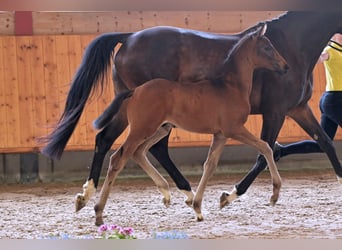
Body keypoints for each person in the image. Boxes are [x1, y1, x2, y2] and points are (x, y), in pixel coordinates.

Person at [275, 33, 342, 158]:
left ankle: (281, 151)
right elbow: (320, 58)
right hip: (334, 100)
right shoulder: (329, 51)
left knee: (323, 144)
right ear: (333, 36)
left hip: (333, 100)